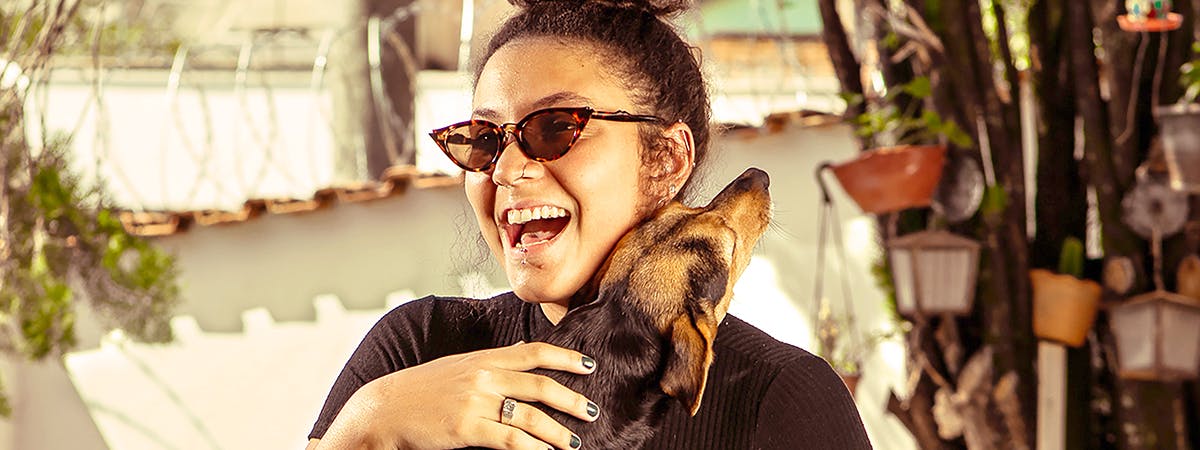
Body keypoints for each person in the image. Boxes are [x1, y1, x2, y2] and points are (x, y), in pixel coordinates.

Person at [307, 1, 871, 448]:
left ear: (668, 159)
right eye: (483, 140)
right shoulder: (416, 349)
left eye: (555, 127)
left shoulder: (776, 397)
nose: (505, 169)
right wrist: (368, 426)